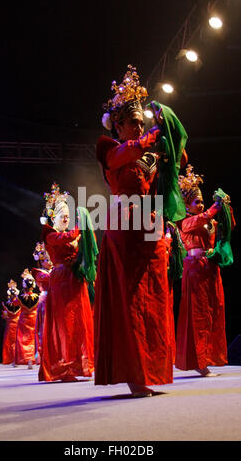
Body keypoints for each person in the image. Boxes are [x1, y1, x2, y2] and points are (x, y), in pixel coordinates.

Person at [94, 65, 188, 397]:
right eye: (132, 121)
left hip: (149, 224)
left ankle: (152, 370)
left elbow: (179, 154)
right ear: (117, 125)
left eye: (141, 120)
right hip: (124, 223)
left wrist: (167, 126)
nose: (138, 125)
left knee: (156, 296)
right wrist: (150, 138)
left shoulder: (146, 152)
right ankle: (134, 375)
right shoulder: (109, 148)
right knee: (131, 297)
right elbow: (124, 156)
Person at [175, 164, 235, 376]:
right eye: (196, 201)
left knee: (213, 311)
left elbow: (226, 229)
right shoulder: (184, 222)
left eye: (202, 201)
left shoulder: (209, 221)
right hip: (195, 271)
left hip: (210, 269)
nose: (200, 205)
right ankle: (199, 362)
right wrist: (212, 210)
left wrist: (225, 209)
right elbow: (200, 219)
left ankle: (208, 357)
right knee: (199, 315)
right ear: (186, 204)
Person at [38, 183, 95, 382]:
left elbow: (82, 244)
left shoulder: (69, 236)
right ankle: (65, 367)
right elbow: (71, 236)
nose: (66, 217)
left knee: (80, 322)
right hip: (62, 281)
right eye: (62, 214)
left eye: (68, 215)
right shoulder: (51, 236)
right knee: (65, 324)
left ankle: (80, 365)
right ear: (53, 218)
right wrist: (82, 224)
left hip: (75, 281)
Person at [31, 242, 53, 364]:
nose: (49, 262)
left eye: (50, 259)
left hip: (56, 301)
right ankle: (43, 353)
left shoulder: (55, 270)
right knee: (44, 328)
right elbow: (49, 280)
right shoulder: (38, 272)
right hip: (45, 302)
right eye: (46, 260)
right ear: (41, 261)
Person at [14, 269, 40, 369]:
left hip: (24, 319)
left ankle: (27, 358)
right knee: (34, 339)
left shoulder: (19, 297)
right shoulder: (38, 296)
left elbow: (15, 303)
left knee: (23, 340)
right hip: (34, 318)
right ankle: (35, 358)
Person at [1, 279, 21, 365]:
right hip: (19, 323)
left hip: (10, 324)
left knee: (11, 342)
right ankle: (20, 358)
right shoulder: (20, 303)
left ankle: (13, 359)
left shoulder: (6, 304)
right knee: (19, 341)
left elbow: (5, 316)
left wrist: (4, 315)